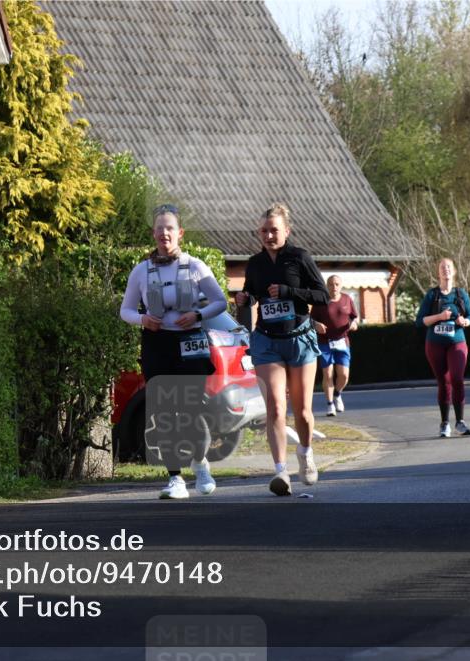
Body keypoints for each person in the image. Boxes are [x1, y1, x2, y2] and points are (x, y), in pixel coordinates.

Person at [120, 204, 228, 499]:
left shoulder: (195, 266)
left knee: (191, 410)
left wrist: (197, 315)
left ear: (180, 233)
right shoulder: (141, 271)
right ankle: (175, 478)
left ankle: (201, 464)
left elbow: (220, 302)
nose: (164, 233)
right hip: (157, 344)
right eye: (159, 228)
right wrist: (143, 319)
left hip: (190, 342)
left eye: (170, 228)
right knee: (164, 411)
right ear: (153, 233)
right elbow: (125, 310)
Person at [234, 203, 329, 496]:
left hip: (299, 340)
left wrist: (289, 292)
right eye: (263, 231)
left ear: (286, 230)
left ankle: (305, 453)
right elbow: (252, 294)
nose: (268, 236)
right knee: (275, 407)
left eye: (274, 230)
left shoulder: (299, 258)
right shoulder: (255, 263)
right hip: (267, 341)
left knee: (303, 411)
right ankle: (280, 472)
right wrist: (245, 299)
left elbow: (322, 295)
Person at [415, 258, 470, 438]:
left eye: (448, 267)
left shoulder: (460, 294)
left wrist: (465, 321)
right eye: (442, 267)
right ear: (438, 272)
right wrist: (440, 317)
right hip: (435, 344)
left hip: (457, 342)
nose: (445, 270)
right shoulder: (432, 295)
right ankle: (444, 423)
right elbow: (420, 321)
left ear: (454, 271)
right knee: (444, 382)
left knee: (457, 378)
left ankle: (460, 422)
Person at [311, 274, 359, 416]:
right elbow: (310, 320)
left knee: (344, 375)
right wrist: (316, 325)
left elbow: (354, 318)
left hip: (342, 341)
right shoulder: (320, 301)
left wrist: (354, 324)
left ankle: (337, 394)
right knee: (328, 373)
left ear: (341, 285)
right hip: (325, 342)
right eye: (331, 284)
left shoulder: (347, 299)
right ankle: (330, 404)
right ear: (327, 286)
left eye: (337, 284)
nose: (334, 287)